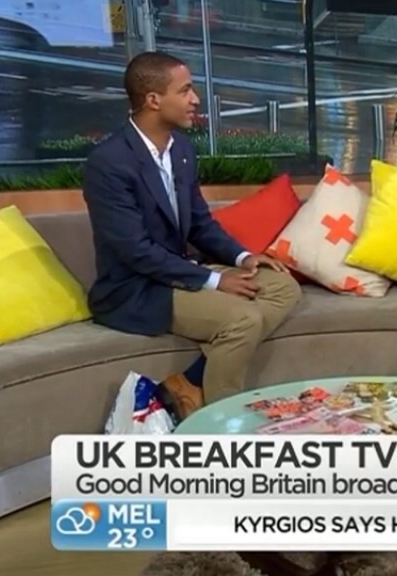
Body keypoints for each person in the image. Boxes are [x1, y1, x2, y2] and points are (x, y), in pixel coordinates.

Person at [82, 51, 302, 419]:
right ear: (154, 100)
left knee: (283, 287)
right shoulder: (109, 163)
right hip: (136, 288)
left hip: (179, 271)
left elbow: (199, 223)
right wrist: (215, 280)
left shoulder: (181, 150)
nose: (195, 99)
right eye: (184, 90)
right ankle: (221, 421)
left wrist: (243, 257)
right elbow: (136, 250)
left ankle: (189, 381)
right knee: (242, 319)